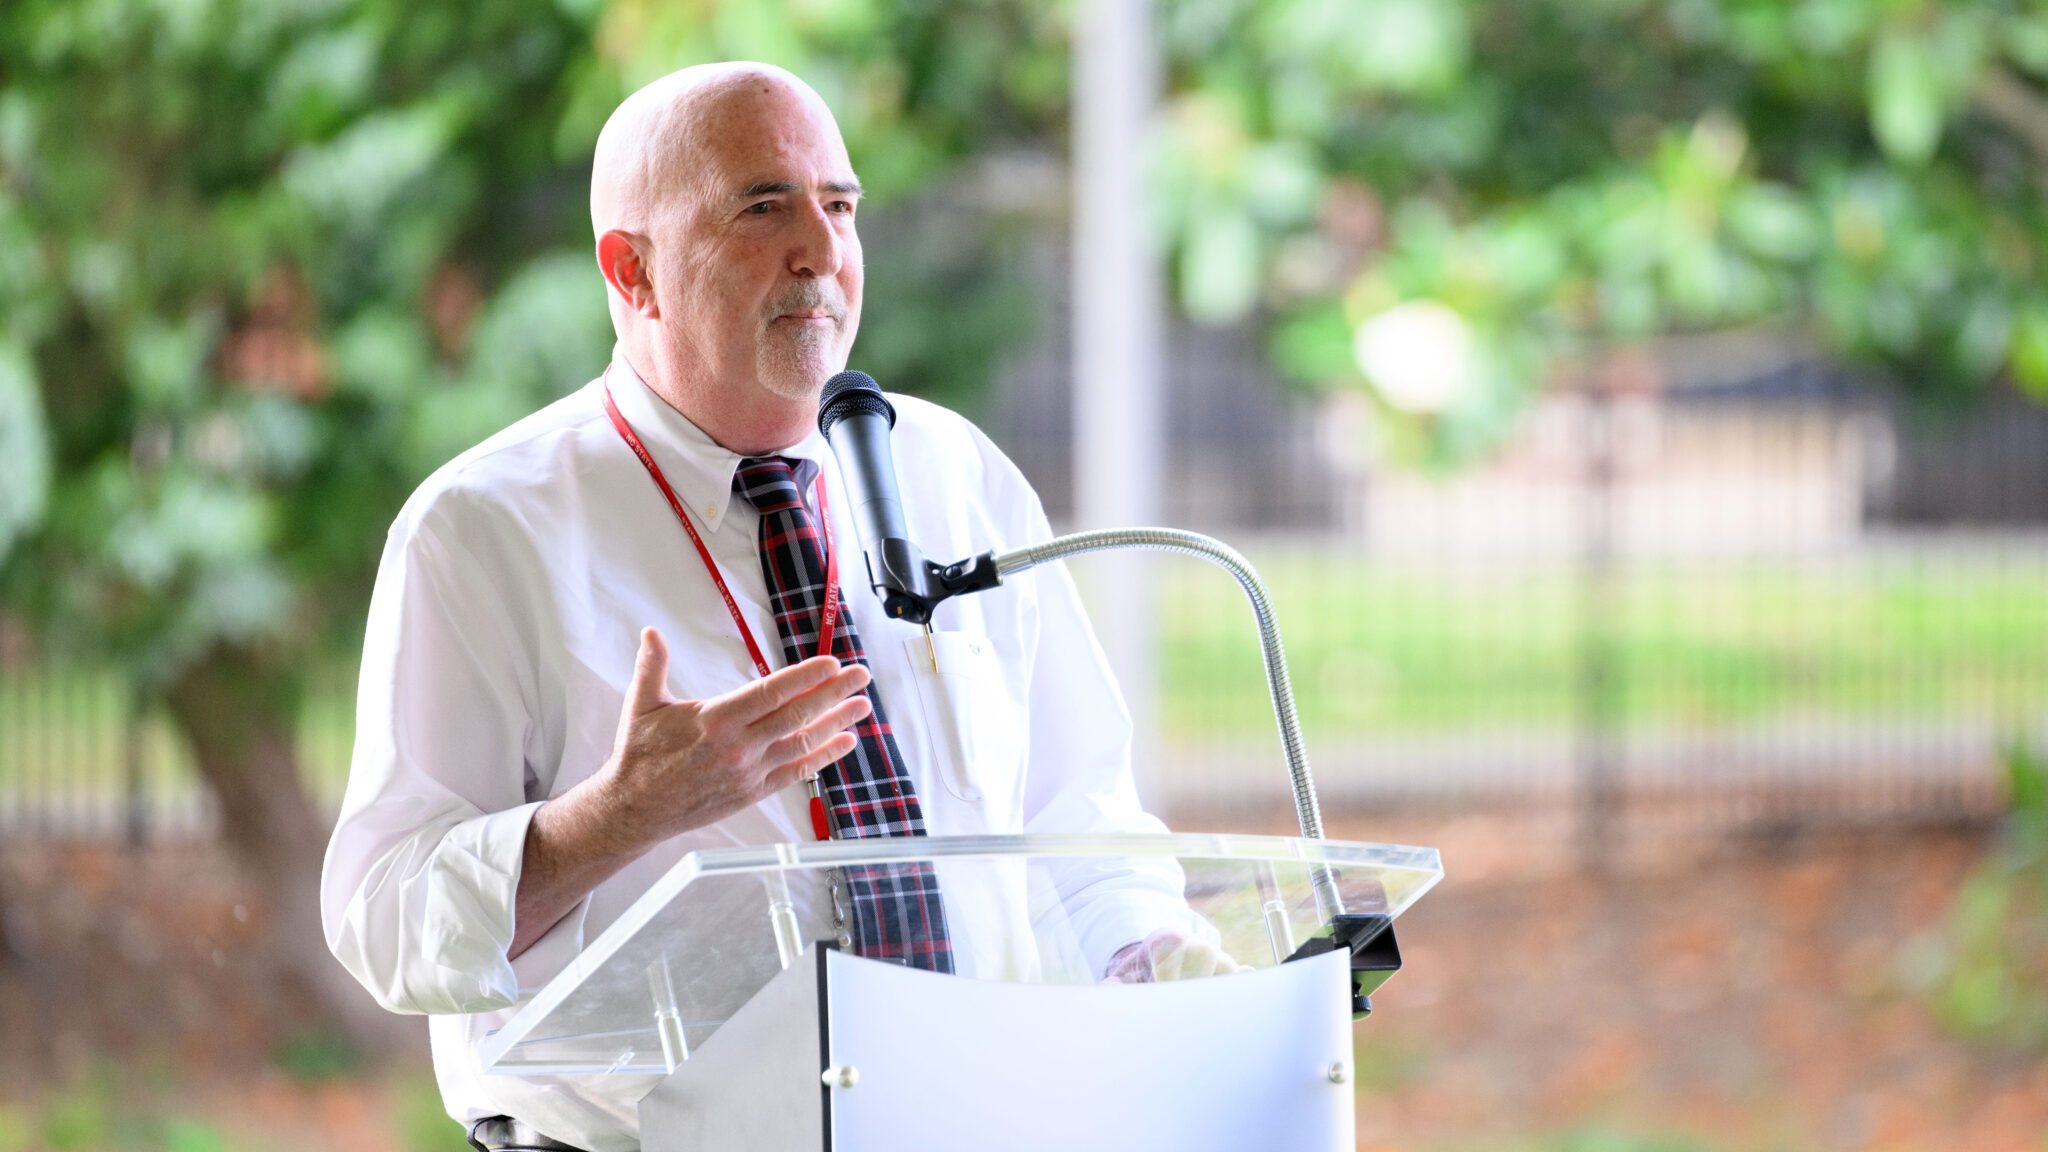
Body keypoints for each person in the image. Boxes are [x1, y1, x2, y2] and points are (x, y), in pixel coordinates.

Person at [320, 62, 1226, 1152]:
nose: (821, 251)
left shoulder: (951, 471)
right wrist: (617, 818)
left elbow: (1079, 815)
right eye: (763, 207)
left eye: (839, 206)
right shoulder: (483, 530)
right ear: (633, 270)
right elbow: (384, 918)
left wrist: (1151, 956)